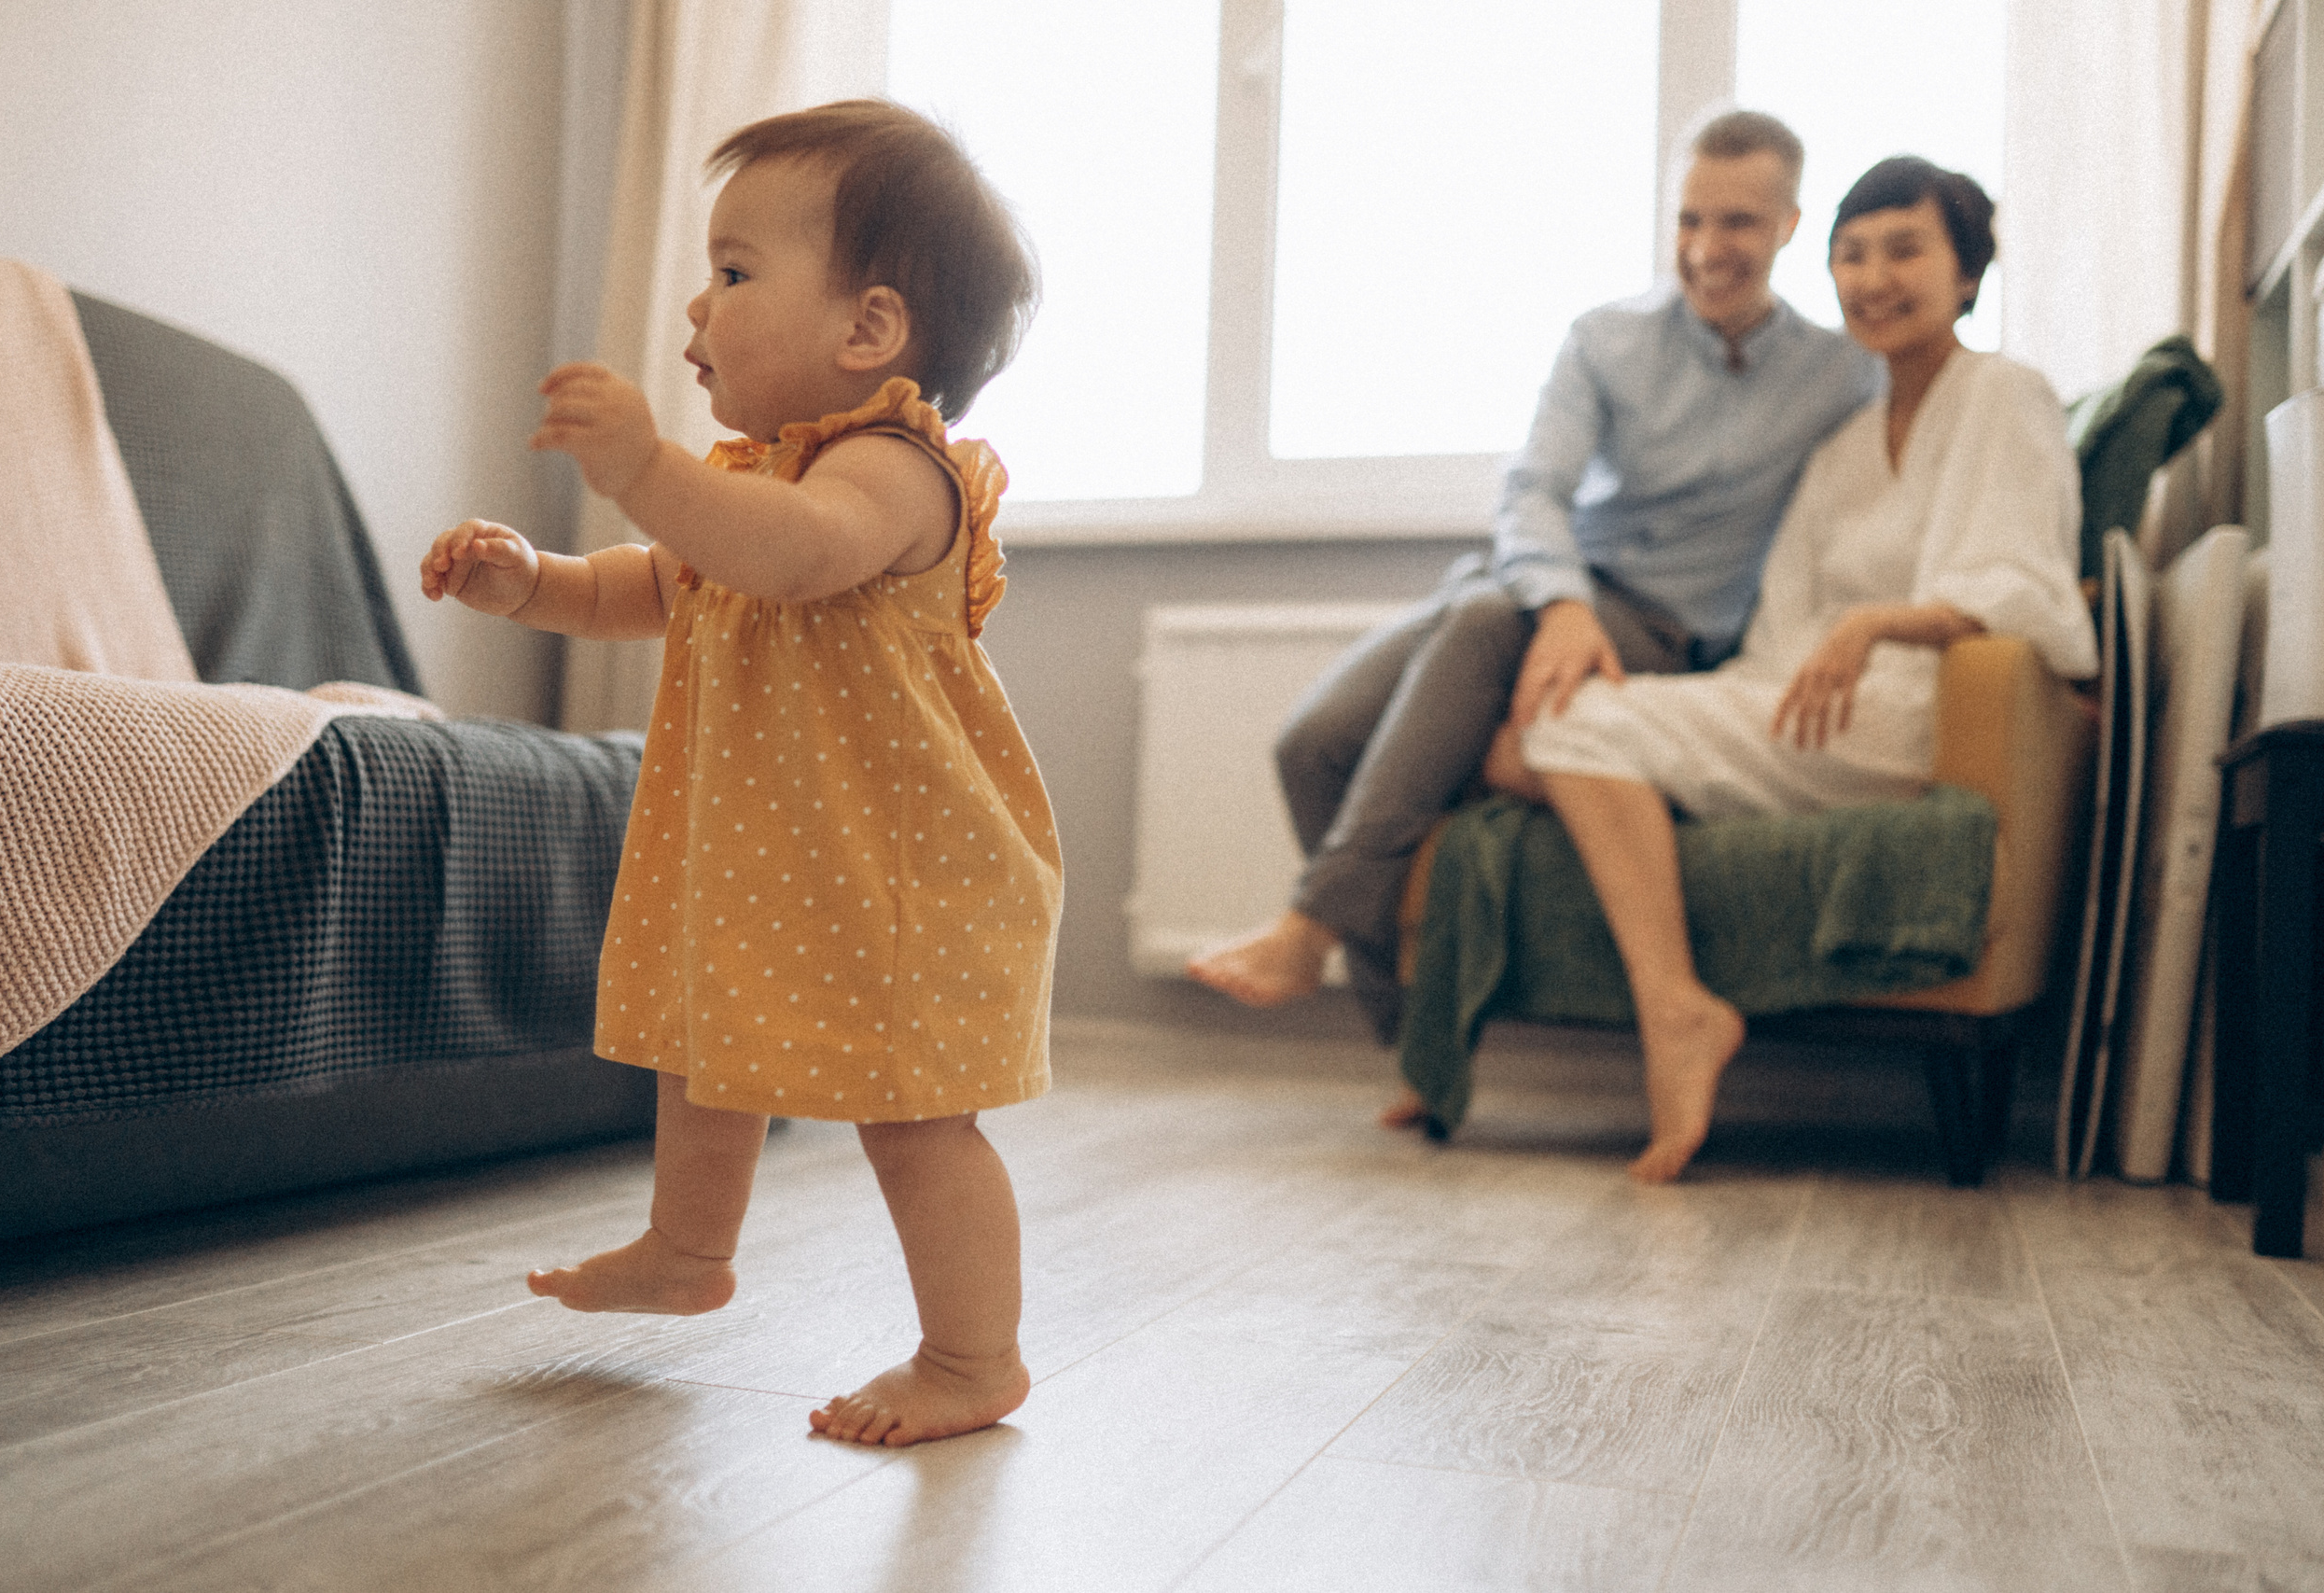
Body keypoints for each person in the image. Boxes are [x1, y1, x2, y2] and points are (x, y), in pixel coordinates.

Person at [418, 101, 1058, 1447]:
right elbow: (635, 588)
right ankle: (684, 1250)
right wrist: (528, 576)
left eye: (734, 271)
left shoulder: (891, 472)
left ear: (868, 330)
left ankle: (969, 1355)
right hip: (780, 854)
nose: (697, 310)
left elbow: (791, 553)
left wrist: (646, 467)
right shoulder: (747, 481)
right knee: (706, 1052)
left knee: (916, 1121)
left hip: (906, 872)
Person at [1188, 110, 1881, 1053]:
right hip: (1538, 587)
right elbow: (1533, 489)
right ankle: (1405, 1036)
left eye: (1737, 224)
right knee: (1311, 744)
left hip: (1668, 625)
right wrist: (1560, 603)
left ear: (1789, 226)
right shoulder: (1606, 339)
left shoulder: (1840, 375)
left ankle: (1312, 932)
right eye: (1688, 221)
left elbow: (1903, 482)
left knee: (1478, 619)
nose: (1706, 249)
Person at [1468, 156, 2097, 1183]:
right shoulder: (1842, 442)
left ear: (1969, 272)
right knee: (1525, 734)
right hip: (1809, 706)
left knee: (1569, 729)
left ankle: (1675, 1008)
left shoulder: (2005, 394)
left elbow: (2026, 587)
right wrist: (1792, 667)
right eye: (1850, 255)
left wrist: (1877, 626)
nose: (1872, 278)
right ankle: (1667, 880)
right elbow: (1780, 637)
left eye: (1905, 250)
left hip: (1921, 713)